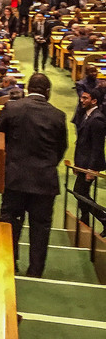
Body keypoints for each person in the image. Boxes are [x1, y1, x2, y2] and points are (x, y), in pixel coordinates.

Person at [0, 73, 67, 277]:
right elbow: (61, 148)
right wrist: (46, 165)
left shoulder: (12, 108)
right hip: (45, 181)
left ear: (27, 88)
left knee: (10, 222)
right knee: (40, 228)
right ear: (48, 92)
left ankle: (8, 265)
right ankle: (35, 271)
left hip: (15, 178)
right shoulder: (58, 115)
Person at [72, 89, 106, 234]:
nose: (82, 100)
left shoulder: (97, 119)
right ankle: (84, 219)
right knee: (81, 193)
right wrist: (77, 164)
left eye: (85, 98)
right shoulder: (86, 115)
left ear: (94, 101)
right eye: (82, 97)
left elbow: (97, 147)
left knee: (79, 192)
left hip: (89, 165)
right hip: (83, 163)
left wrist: (91, 170)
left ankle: (103, 218)